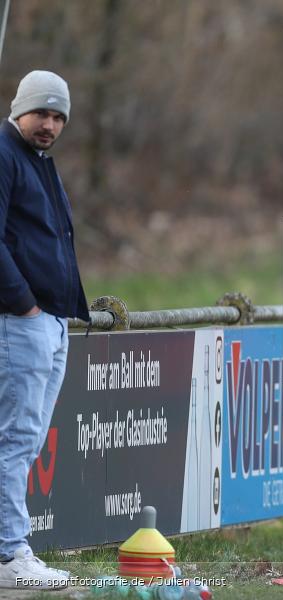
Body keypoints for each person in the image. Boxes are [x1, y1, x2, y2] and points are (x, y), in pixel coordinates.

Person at [0, 71, 89, 590]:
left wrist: (58, 313)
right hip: (22, 322)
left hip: (51, 323)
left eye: (59, 117)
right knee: (15, 440)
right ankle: (11, 553)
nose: (49, 125)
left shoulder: (39, 162)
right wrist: (26, 306)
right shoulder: (5, 154)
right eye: (42, 114)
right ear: (20, 110)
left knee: (26, 440)